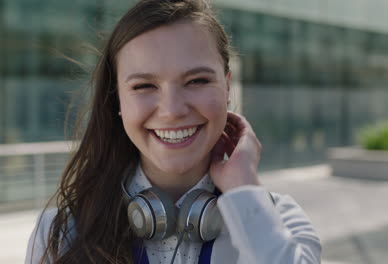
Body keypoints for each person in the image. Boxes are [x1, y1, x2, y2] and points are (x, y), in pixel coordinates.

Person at [25, 0, 321, 263]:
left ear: (227, 86)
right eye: (144, 86)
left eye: (197, 81)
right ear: (118, 99)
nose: (172, 110)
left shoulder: (280, 221)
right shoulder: (61, 233)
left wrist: (244, 187)